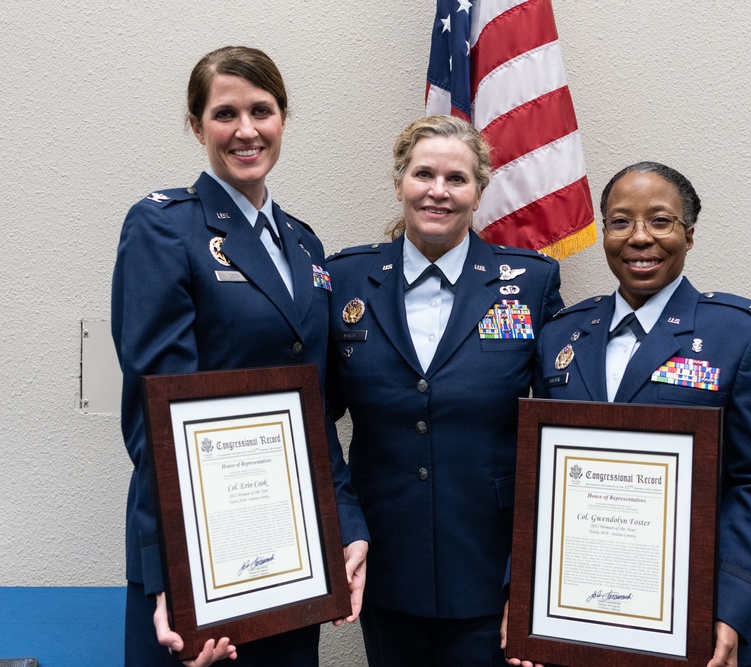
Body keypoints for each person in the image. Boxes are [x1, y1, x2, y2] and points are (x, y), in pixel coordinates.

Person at [111, 46, 368, 667]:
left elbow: (313, 407)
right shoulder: (165, 227)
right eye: (225, 113)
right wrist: (174, 567)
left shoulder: (304, 244)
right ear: (196, 125)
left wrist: (347, 519)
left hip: (291, 545)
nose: (246, 130)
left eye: (262, 110)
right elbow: (156, 414)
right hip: (204, 547)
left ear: (283, 118)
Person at [504, 162, 751, 667]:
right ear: (603, 235)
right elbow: (538, 482)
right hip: (575, 612)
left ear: (689, 235)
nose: (640, 238)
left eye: (660, 221)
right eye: (621, 222)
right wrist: (524, 591)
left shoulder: (739, 334)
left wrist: (732, 607)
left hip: (693, 616)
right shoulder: (560, 335)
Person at [324, 115, 564, 666]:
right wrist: (343, 522)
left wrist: (533, 580)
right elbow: (313, 415)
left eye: (456, 178)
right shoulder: (347, 280)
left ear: (480, 190)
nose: (438, 191)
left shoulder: (530, 283)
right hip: (382, 556)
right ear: (399, 182)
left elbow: (558, 429)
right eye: (423, 174)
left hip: (490, 560)